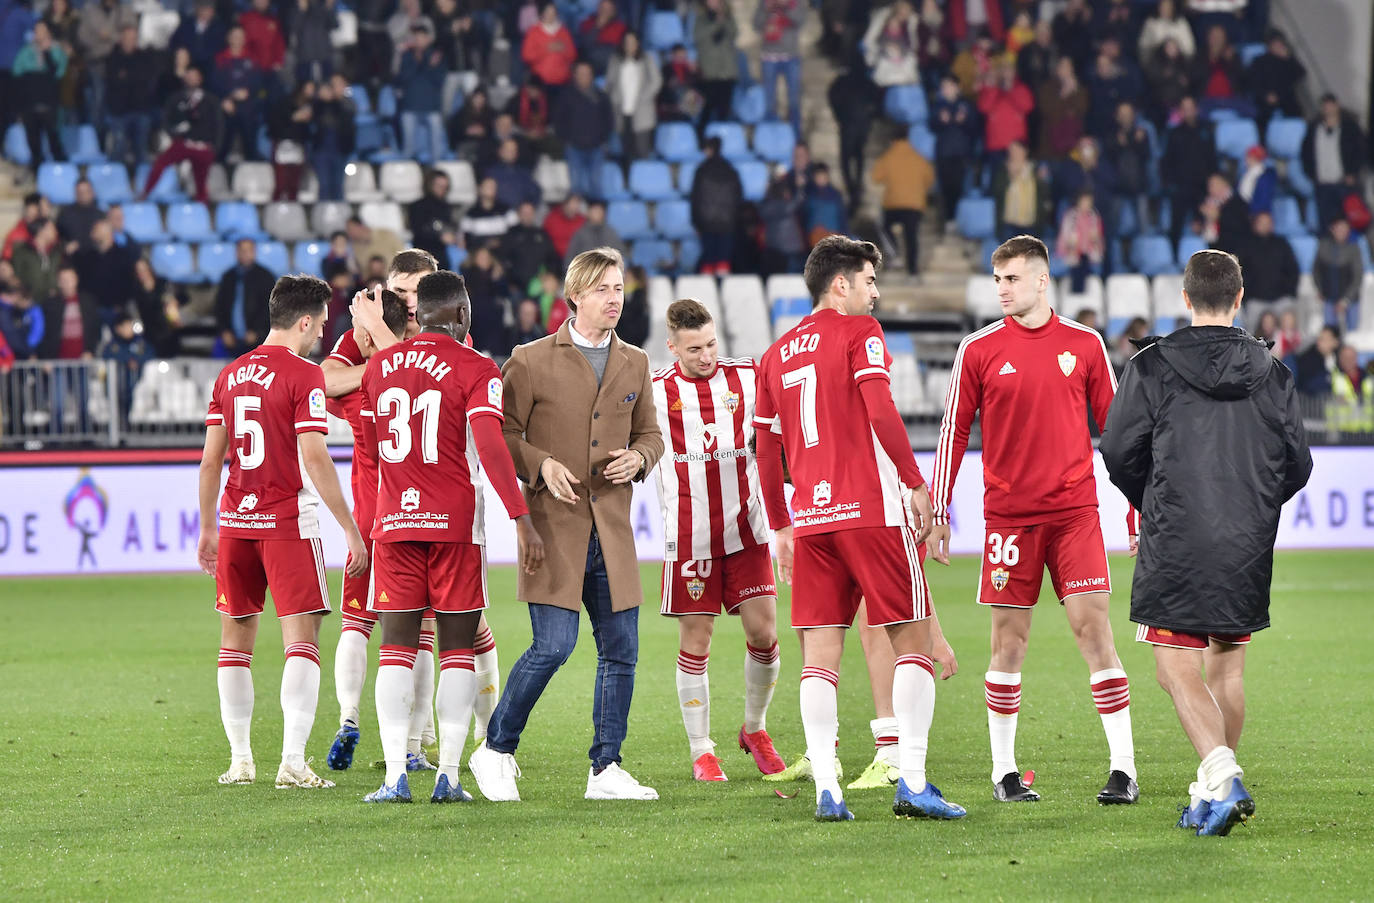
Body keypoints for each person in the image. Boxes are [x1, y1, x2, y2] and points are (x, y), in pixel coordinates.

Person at [753, 235, 964, 822]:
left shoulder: (775, 355)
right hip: (871, 510)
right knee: (912, 640)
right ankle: (913, 782)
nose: (876, 293)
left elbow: (765, 450)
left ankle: (827, 787)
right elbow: (880, 409)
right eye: (870, 281)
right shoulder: (859, 333)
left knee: (819, 658)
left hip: (812, 521)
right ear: (840, 284)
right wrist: (916, 482)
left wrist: (780, 526)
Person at [1100, 249, 1312, 836]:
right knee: (1228, 669)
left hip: (1176, 533)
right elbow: (1297, 462)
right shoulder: (1274, 372)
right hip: (1244, 540)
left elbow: (1118, 450)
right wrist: (1253, 507)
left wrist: (1150, 501)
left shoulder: (1152, 366)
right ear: (1240, 298)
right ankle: (1208, 790)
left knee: (1175, 667)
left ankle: (1222, 774)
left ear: (1186, 298)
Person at [929, 234, 1139, 806]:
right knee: (1009, 644)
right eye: (997, 279)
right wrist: (940, 506)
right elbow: (953, 430)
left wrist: (1136, 507)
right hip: (1009, 521)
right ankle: (1004, 772)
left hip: (1075, 515)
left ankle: (1124, 769)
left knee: (1094, 632)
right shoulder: (977, 349)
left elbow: (1121, 439)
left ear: (1042, 280)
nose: (1003, 289)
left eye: (1013, 278)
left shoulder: (1085, 344)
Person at [469, 247, 664, 802]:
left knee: (621, 650)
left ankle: (606, 769)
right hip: (555, 527)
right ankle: (496, 749)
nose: (614, 299)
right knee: (553, 646)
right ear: (574, 295)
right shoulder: (528, 360)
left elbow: (651, 433)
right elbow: (499, 435)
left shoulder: (636, 362)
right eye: (602, 289)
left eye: (619, 288)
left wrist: (641, 459)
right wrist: (540, 463)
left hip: (615, 529)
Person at [359, 270, 545, 803]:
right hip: (456, 527)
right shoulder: (477, 366)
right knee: (456, 653)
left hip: (393, 524)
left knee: (395, 650)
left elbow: (371, 452)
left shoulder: (379, 367)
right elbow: (489, 446)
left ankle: (395, 776)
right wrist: (521, 518)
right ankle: (449, 775)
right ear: (462, 315)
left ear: (419, 315)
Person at [197, 274, 369, 790]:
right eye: (318, 325)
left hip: (236, 521)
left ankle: (240, 760)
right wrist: (350, 528)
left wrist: (208, 528)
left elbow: (210, 463)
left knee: (235, 641)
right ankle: (292, 760)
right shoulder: (304, 375)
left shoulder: (229, 375)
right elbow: (315, 457)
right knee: (303, 639)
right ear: (303, 321)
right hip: (287, 519)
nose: (320, 336)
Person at [651, 299, 784, 782]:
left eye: (710, 344)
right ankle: (701, 750)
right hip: (689, 537)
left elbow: (778, 431)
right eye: (694, 349)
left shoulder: (748, 375)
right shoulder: (654, 392)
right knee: (696, 641)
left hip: (747, 530)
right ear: (672, 347)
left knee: (764, 635)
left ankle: (755, 728)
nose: (706, 356)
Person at [871, 134, 935, 277]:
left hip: (893, 203)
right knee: (911, 237)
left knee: (883, 226)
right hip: (915, 205)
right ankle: (913, 271)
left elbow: (876, 177)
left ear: (893, 140)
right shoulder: (918, 157)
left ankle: (895, 255)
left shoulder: (888, 157)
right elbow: (930, 178)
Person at [690, 136, 742, 275]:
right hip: (727, 225)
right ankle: (722, 288)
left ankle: (707, 291)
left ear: (709, 149)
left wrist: (696, 222)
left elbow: (695, 199)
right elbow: (738, 199)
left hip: (706, 224)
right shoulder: (731, 171)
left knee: (708, 260)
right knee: (723, 261)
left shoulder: (701, 171)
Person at [214, 239, 276, 356]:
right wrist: (224, 331)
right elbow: (219, 307)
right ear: (236, 252)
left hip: (258, 341)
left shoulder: (265, 277)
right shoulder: (228, 277)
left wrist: (258, 332)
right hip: (230, 340)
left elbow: (270, 308)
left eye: (248, 250)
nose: (245, 253)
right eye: (242, 250)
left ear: (254, 252)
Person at [1315, 218, 1363, 331]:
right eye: (1339, 228)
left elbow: (1358, 277)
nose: (1341, 231)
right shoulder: (1323, 246)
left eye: (1344, 228)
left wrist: (1345, 300)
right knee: (1330, 332)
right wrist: (1320, 289)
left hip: (1350, 300)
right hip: (1329, 298)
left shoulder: (1354, 249)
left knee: (1353, 335)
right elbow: (1316, 271)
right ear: (1333, 229)